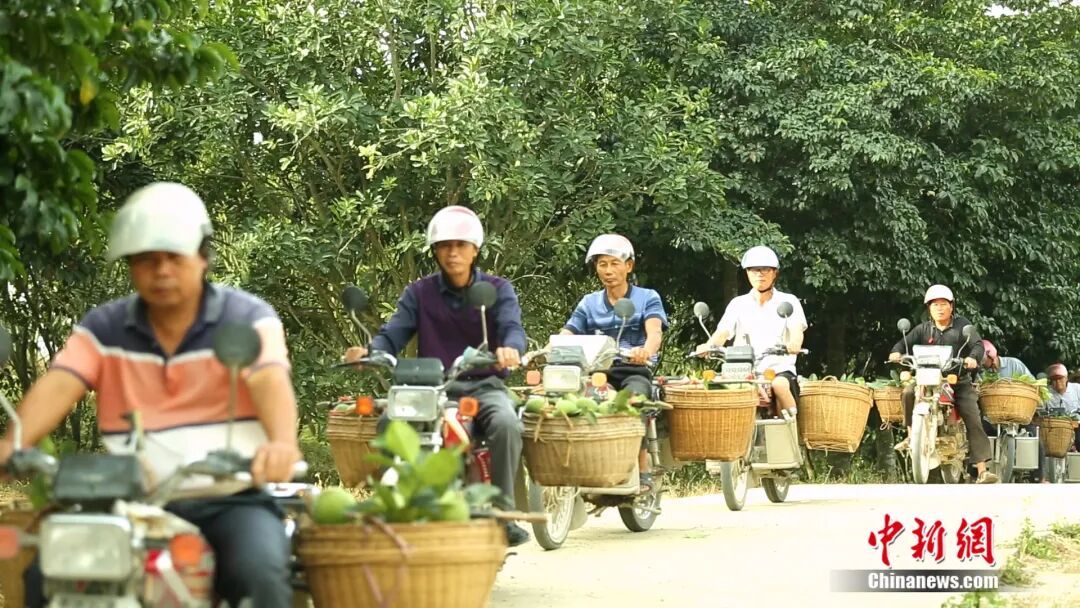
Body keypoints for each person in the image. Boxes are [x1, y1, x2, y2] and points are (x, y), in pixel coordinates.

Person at [0, 182, 302, 607]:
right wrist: (12, 443)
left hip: (229, 499)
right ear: (130, 266)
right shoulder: (104, 328)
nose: (161, 271)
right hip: (129, 502)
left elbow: (269, 379)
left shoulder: (247, 318)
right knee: (48, 575)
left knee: (261, 574)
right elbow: (60, 383)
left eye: (174, 258)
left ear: (203, 257)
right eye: (146, 260)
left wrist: (283, 443)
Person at [343, 206, 530, 546]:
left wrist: (510, 348)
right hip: (431, 389)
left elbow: (512, 328)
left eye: (460, 245)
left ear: (475, 250)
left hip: (483, 385)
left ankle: (503, 513)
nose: (452, 252)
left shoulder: (498, 289)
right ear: (435, 250)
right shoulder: (419, 293)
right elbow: (393, 333)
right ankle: (394, 507)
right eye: (444, 245)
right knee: (388, 424)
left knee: (506, 424)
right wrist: (370, 352)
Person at [559, 234, 669, 492]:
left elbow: (655, 332)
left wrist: (645, 351)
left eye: (614, 263)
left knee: (635, 402)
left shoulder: (647, 297)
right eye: (602, 264)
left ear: (628, 266)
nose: (608, 270)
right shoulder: (589, 303)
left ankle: (642, 470)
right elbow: (568, 331)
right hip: (597, 371)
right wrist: (551, 347)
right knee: (568, 404)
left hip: (633, 369)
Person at [889, 284, 998, 483]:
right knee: (908, 393)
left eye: (943, 304)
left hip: (956, 380)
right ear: (929, 308)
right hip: (926, 377)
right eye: (935, 305)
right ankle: (911, 435)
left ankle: (982, 469)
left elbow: (977, 345)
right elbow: (902, 344)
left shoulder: (962, 326)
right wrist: (896, 352)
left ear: (951, 306)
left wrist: (972, 358)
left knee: (972, 414)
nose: (939, 308)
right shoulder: (923, 329)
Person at [696, 245, 807, 416]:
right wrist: (708, 346)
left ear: (775, 273)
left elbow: (796, 330)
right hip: (742, 371)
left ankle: (791, 428)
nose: (759, 274)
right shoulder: (738, 304)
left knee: (779, 385)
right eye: (754, 270)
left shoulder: (788, 301)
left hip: (777, 370)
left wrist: (794, 344)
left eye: (765, 269)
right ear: (747, 273)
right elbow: (722, 332)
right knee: (713, 385)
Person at [979, 340, 1042, 482]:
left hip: (1018, 413)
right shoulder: (982, 373)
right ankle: (974, 473)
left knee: (1035, 437)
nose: (982, 364)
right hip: (993, 416)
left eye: (984, 360)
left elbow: (1032, 384)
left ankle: (1040, 477)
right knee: (978, 432)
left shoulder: (1014, 364)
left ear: (991, 356)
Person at [1044, 363, 1080, 452]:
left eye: (1060, 378)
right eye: (1054, 380)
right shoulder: (1046, 392)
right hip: (1054, 428)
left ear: (1066, 378)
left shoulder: (1077, 389)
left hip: (1076, 426)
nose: (1057, 382)